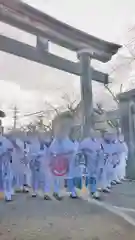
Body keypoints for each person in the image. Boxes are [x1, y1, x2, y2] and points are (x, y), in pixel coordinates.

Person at [49, 112, 78, 200]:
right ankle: (57, 191)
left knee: (72, 173)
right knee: (59, 175)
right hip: (61, 157)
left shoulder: (73, 132)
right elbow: (53, 150)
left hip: (72, 156)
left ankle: (72, 190)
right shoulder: (59, 136)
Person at [79, 129, 102, 199]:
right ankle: (91, 190)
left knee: (95, 176)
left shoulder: (98, 141)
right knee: (89, 176)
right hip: (88, 161)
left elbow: (100, 151)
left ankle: (93, 190)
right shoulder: (85, 142)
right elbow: (79, 150)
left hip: (96, 161)